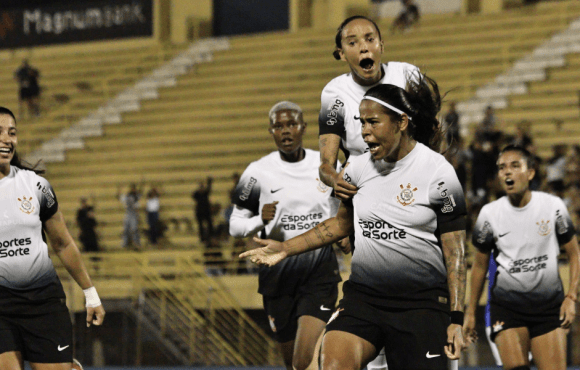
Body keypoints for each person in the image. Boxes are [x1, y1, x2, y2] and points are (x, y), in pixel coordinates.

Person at [241, 75, 468, 370]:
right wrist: (285, 248)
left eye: (373, 122)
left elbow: (456, 252)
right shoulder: (356, 168)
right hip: (364, 300)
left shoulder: (438, 172)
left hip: (421, 304)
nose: (365, 132)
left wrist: (457, 318)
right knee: (332, 362)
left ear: (401, 122)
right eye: (361, 122)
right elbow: (339, 226)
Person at [318, 15, 420, 369]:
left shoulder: (409, 76)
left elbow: (431, 136)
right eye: (352, 41)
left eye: (369, 38)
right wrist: (337, 193)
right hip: (367, 211)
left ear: (381, 44)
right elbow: (326, 165)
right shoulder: (334, 94)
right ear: (341, 53)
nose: (363, 45)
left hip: (412, 202)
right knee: (371, 304)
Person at [230, 101, 342, 370]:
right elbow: (235, 225)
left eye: (292, 124)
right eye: (279, 126)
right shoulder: (257, 172)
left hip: (318, 276)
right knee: (292, 363)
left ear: (303, 127)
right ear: (271, 131)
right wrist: (260, 219)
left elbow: (343, 209)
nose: (286, 131)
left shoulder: (325, 166)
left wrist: (344, 233)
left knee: (303, 361)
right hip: (277, 280)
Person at [0, 106, 105, 370]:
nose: (7, 139)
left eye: (12, 133)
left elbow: (63, 243)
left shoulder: (36, 186)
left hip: (42, 302)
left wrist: (90, 294)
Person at [464, 145, 580, 370]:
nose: (507, 172)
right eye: (502, 168)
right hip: (506, 307)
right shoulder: (489, 214)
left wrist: (571, 297)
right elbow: (479, 266)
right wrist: (470, 313)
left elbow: (575, 253)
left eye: (515, 166)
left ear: (531, 172)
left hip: (548, 307)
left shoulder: (553, 207)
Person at [117, 182, 142, 249]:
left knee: (134, 229)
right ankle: (125, 243)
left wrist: (137, 215)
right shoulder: (128, 196)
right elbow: (120, 197)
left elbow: (137, 206)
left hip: (133, 214)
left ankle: (137, 243)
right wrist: (119, 190)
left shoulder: (136, 196)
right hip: (128, 213)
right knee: (126, 229)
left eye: (133, 188)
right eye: (132, 188)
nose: (132, 189)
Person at [192, 176, 214, 242]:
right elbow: (194, 195)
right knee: (201, 226)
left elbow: (208, 189)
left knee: (209, 225)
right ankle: (203, 238)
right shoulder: (197, 194)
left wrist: (209, 183)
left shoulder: (204, 193)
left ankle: (210, 236)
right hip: (200, 212)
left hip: (206, 211)